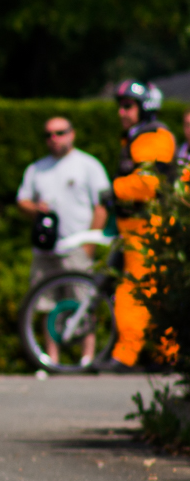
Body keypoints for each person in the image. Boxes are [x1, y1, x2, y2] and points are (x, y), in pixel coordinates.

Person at [104, 79, 175, 372]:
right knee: (157, 293)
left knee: (133, 291)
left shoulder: (153, 136)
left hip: (148, 228)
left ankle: (127, 355)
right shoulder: (137, 136)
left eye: (128, 106)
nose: (121, 112)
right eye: (119, 106)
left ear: (145, 107)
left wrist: (114, 189)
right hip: (136, 227)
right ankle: (167, 356)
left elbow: (148, 183)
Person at [17, 114, 110, 310]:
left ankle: (89, 342)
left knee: (82, 307)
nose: (54, 138)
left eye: (60, 133)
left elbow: (101, 208)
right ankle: (48, 343)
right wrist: (36, 209)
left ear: (72, 134)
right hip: (45, 249)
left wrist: (88, 245)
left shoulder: (88, 165)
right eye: (48, 134)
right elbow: (22, 201)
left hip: (76, 249)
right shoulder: (36, 168)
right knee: (45, 308)